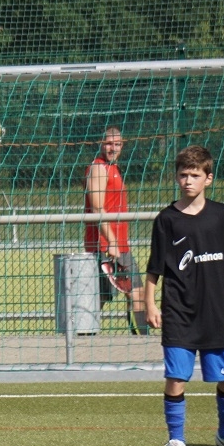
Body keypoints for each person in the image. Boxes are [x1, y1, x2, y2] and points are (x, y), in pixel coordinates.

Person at [145, 145, 224, 446]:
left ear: (208, 178)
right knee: (176, 379)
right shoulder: (166, 220)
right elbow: (154, 268)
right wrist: (150, 304)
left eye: (195, 175)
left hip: (217, 313)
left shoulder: (221, 215)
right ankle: (176, 441)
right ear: (176, 177)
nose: (188, 181)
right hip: (179, 312)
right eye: (183, 175)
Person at [84, 126, 147, 334]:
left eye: (117, 144)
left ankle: (143, 339)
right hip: (105, 246)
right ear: (101, 144)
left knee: (133, 293)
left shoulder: (114, 168)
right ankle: (79, 340)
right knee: (100, 299)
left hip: (118, 245)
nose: (113, 148)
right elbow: (97, 208)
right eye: (109, 144)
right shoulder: (98, 168)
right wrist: (111, 242)